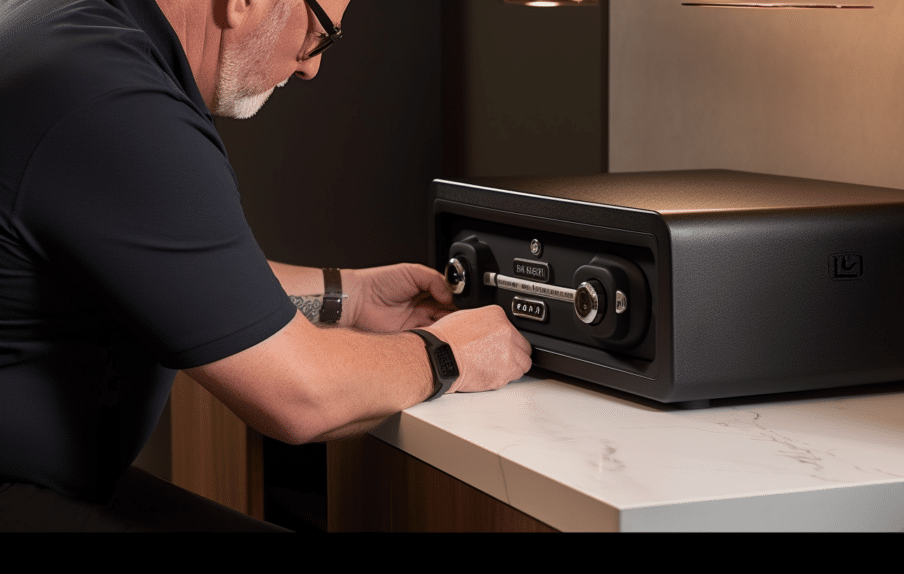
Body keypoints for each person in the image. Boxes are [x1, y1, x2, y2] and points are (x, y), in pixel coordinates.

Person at [0, 0, 532, 530]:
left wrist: (352, 297)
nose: (311, 65)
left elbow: (182, 274)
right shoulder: (114, 97)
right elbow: (299, 397)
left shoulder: (70, 31)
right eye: (319, 34)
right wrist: (450, 354)